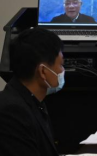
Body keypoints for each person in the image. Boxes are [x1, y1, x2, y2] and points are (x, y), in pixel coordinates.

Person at [0, 28, 63, 156]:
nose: (62, 70)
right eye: (61, 64)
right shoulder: (11, 112)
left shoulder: (32, 102)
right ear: (43, 72)